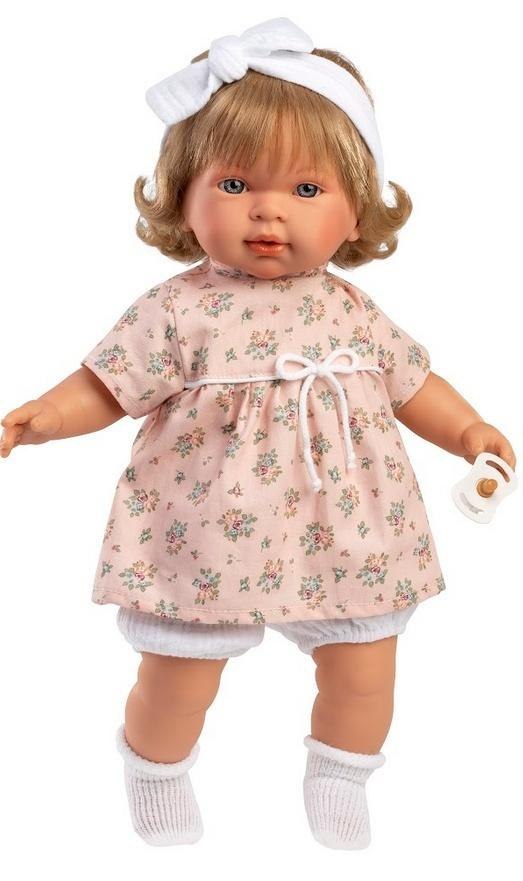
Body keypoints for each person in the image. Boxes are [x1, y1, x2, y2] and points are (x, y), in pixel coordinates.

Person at [0, 17, 516, 851]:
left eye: (306, 189)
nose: (268, 210)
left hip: (346, 526)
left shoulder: (349, 309)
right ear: (182, 194)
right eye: (235, 183)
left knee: (363, 671)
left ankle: (340, 774)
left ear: (357, 209)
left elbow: (410, 381)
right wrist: (47, 415)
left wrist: (466, 428)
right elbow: (108, 383)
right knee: (177, 677)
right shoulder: (180, 310)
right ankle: (155, 767)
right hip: (211, 528)